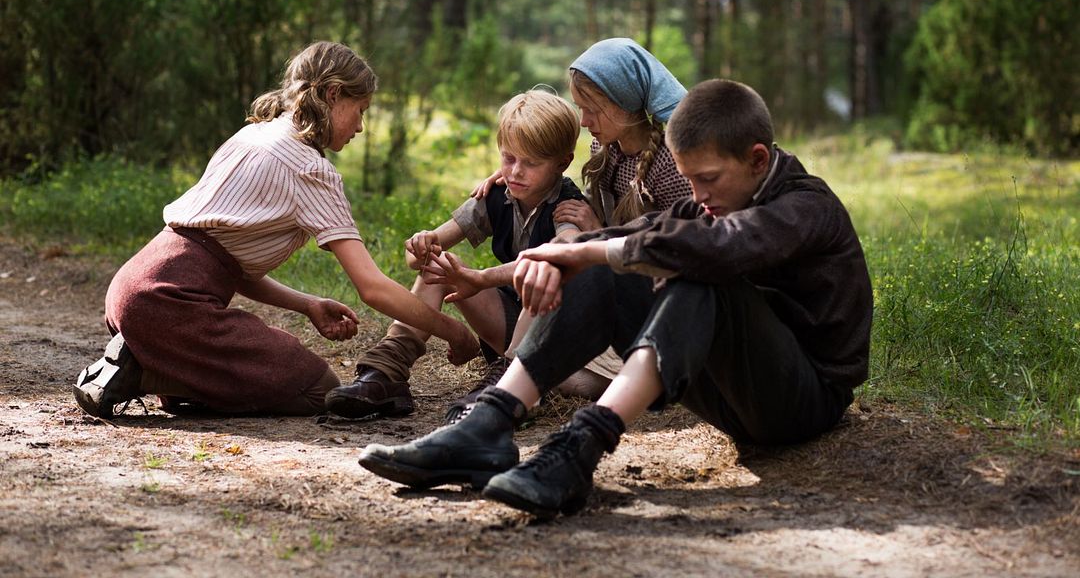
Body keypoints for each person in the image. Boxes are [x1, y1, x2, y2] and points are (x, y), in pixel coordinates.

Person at [357, 79, 874, 519]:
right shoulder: (715, 202)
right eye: (689, 179)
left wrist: (592, 252)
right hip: (730, 394)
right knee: (608, 263)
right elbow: (645, 231)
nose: (696, 196)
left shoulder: (806, 207)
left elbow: (717, 249)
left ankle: (581, 446)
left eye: (707, 179)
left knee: (688, 268)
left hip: (802, 403)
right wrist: (562, 255)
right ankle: (487, 424)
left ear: (758, 159)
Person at [72, 41, 478, 419]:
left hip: (133, 289)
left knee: (254, 378)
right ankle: (145, 372)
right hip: (170, 306)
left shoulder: (254, 134)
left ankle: (152, 356)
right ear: (334, 94)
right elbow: (371, 288)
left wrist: (307, 304)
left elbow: (220, 262)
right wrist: (454, 332)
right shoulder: (310, 168)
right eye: (362, 110)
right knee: (316, 389)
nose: (360, 127)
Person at [324, 89, 587, 421]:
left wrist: (480, 278)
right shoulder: (498, 196)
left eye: (531, 163)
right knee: (439, 265)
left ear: (563, 162)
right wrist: (422, 245)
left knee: (541, 275)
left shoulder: (568, 206)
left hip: (554, 332)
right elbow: (421, 256)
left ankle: (515, 382)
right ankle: (387, 370)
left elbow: (562, 251)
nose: (515, 171)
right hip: (506, 322)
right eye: (508, 158)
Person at [464, 37, 692, 400]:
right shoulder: (607, 147)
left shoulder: (670, 161)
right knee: (554, 364)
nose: (584, 121)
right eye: (579, 108)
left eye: (592, 109)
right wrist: (510, 171)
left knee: (569, 377)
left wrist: (598, 233)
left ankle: (511, 378)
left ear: (625, 104)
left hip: (651, 299)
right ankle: (515, 373)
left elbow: (680, 247)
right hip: (607, 279)